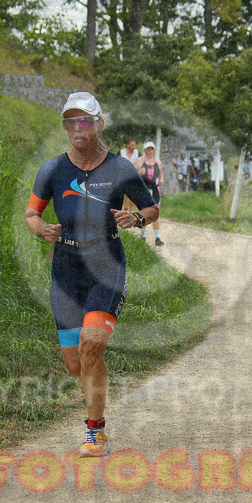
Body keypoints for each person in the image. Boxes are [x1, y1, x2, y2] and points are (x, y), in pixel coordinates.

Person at [25, 92, 159, 455]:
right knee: (76, 362)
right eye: (71, 121)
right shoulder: (52, 170)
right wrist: (42, 229)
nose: (77, 127)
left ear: (99, 124)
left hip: (106, 264)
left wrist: (136, 218)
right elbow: (31, 215)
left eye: (85, 120)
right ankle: (96, 382)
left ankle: (95, 432)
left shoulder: (120, 168)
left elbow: (152, 207)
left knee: (92, 343)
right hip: (65, 269)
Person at [136, 141, 164, 246]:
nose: (150, 151)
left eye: (152, 149)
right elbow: (131, 174)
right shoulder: (140, 161)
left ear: (154, 150)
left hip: (155, 191)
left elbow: (161, 172)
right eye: (148, 149)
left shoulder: (158, 162)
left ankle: (157, 238)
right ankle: (143, 236)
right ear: (144, 150)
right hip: (143, 190)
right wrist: (139, 173)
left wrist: (162, 179)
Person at [119, 138, 141, 213]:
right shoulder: (121, 152)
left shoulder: (137, 153)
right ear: (127, 145)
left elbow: (141, 162)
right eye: (132, 145)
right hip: (123, 175)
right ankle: (125, 207)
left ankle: (130, 210)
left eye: (134, 145)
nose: (134, 147)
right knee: (125, 192)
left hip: (134, 175)